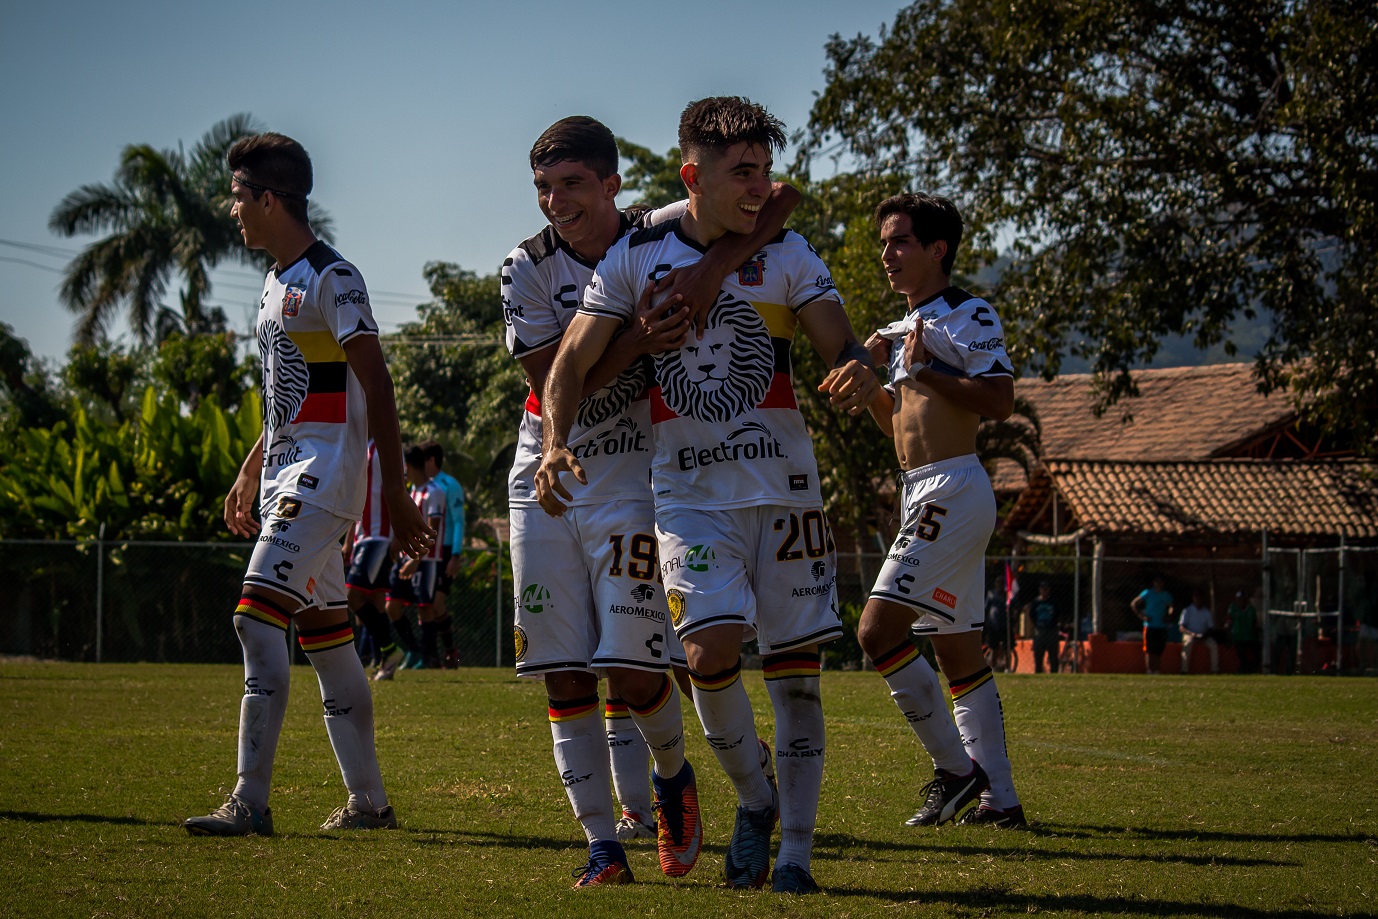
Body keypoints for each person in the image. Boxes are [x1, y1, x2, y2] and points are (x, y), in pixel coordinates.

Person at [537, 97, 873, 894]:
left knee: (794, 678)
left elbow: (839, 337)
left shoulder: (789, 254)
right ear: (694, 175)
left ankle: (794, 859)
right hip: (687, 494)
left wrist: (858, 363)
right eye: (742, 173)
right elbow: (570, 366)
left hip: (787, 491)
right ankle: (756, 802)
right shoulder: (636, 255)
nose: (760, 187)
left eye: (764, 170)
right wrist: (555, 440)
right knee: (706, 652)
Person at [505, 114, 799, 888]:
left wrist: (709, 272)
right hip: (550, 464)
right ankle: (603, 848)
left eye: (571, 185)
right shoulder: (525, 268)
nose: (555, 202)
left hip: (640, 471)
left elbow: (781, 200)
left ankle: (672, 778)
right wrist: (638, 338)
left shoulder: (658, 233)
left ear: (612, 185)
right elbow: (554, 381)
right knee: (560, 670)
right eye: (543, 188)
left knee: (635, 672)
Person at [184, 133, 433, 837]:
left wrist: (388, 493)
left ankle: (250, 800)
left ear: (268, 198)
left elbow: (374, 382)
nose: (232, 211)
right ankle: (370, 803)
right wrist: (251, 462)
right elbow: (295, 392)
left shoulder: (333, 276)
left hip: (323, 479)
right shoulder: (273, 283)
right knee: (329, 639)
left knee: (253, 618)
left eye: (237, 197)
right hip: (288, 473)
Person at [819, 191, 1025, 829]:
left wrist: (927, 372)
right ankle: (1001, 803)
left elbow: (999, 400)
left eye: (900, 241)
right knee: (958, 654)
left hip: (953, 490)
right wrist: (875, 396)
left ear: (938, 250)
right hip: (922, 487)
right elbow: (899, 427)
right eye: (884, 242)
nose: (887, 253)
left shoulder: (968, 313)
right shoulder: (901, 328)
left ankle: (958, 774)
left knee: (877, 633)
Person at [344, 438, 415, 676]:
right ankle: (387, 661)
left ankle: (389, 648)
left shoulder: (386, 447)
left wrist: (397, 533)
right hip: (365, 537)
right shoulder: (362, 448)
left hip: (380, 537)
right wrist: (349, 540)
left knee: (352, 596)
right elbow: (357, 499)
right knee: (375, 600)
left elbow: (400, 490)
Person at [382, 446, 447, 672]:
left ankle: (427, 658)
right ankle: (413, 650)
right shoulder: (411, 492)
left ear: (407, 466)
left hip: (425, 562)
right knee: (392, 606)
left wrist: (416, 559)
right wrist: (396, 546)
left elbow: (432, 530)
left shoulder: (435, 492)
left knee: (425, 609)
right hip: (406, 558)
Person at [421, 441, 465, 668]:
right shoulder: (420, 486)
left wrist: (455, 555)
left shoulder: (450, 485)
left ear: (431, 460)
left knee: (437, 603)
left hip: (445, 551)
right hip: (427, 553)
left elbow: (458, 521)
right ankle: (432, 657)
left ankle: (448, 652)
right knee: (427, 605)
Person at [1132, 575, 1174, 674]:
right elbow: (1134, 604)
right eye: (1156, 582)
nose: (1158, 584)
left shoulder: (1166, 595)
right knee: (1149, 650)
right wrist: (1142, 616)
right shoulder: (1148, 593)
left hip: (1161, 626)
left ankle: (1157, 670)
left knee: (1159, 650)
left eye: (1160, 582)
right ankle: (1149, 670)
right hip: (1150, 625)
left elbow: (1171, 607)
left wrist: (1169, 615)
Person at [1178, 589, 1220, 674]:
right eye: (1196, 597)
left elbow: (1211, 628)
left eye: (1200, 597)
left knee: (1213, 646)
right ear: (1193, 598)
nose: (1198, 599)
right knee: (1187, 644)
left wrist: (1204, 635)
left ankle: (1214, 670)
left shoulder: (1206, 612)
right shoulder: (1187, 610)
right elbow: (1181, 627)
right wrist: (1192, 634)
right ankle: (1184, 670)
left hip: (1204, 635)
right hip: (1190, 634)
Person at [1027, 582, 1061, 674]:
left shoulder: (1053, 602)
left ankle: (1054, 673)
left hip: (1051, 631)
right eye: (1042, 589)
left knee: (1053, 655)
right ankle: (1038, 672)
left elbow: (1057, 614)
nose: (1044, 591)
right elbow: (1032, 615)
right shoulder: (1036, 602)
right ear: (1040, 590)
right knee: (1038, 654)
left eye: (1046, 589)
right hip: (1039, 631)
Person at [1226, 590, 1259, 673]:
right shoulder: (1233, 608)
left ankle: (1249, 669)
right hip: (1237, 637)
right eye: (1238, 599)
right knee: (1241, 654)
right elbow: (1229, 622)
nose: (1240, 601)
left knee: (1257, 654)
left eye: (1242, 599)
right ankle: (1243, 670)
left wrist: (1256, 635)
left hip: (1249, 636)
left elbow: (1255, 624)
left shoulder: (1251, 609)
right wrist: (1228, 635)